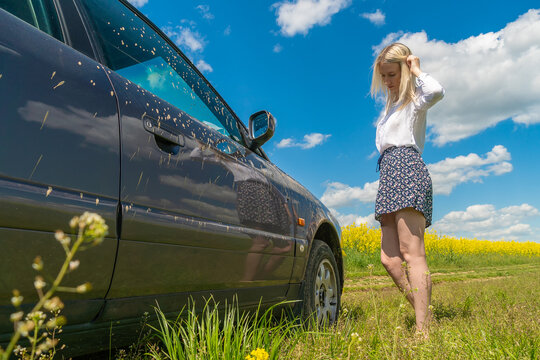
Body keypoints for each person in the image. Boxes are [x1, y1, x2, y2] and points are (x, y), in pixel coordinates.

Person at [370, 43, 445, 335]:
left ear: (404, 69)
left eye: (392, 75)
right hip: (388, 173)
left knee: (411, 251)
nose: (387, 82)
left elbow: (437, 91)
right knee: (389, 258)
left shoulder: (415, 99)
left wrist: (416, 68)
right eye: (384, 77)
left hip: (408, 167)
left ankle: (422, 331)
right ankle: (424, 311)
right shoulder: (391, 108)